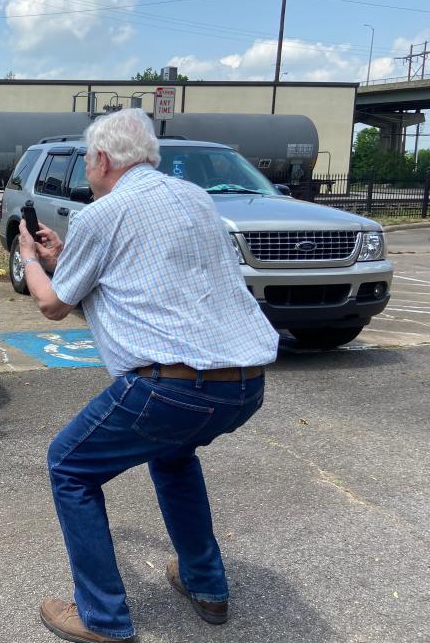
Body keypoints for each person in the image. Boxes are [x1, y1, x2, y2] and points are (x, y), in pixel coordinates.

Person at [20, 109, 279, 643]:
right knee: (173, 454)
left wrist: (29, 258)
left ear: (102, 160)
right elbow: (142, 271)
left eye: (88, 160)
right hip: (246, 384)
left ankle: (103, 619)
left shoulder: (102, 213)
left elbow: (51, 305)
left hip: (172, 388)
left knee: (69, 466)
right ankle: (207, 585)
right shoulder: (195, 198)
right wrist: (63, 256)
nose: (88, 171)